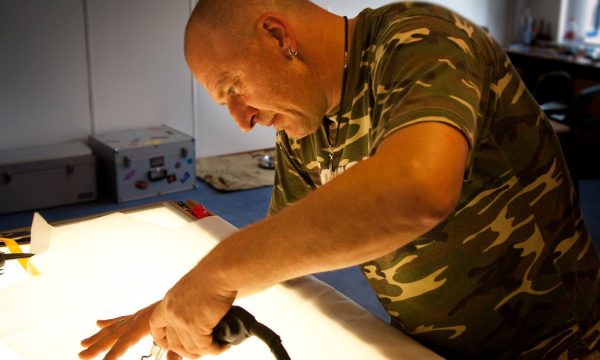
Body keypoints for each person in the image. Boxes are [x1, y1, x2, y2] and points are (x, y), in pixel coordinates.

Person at [79, 1, 600, 359]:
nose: (241, 119)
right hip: (430, 348)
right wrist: (177, 303)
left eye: (235, 87)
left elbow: (417, 191)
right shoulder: (303, 125)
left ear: (279, 35)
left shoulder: (422, 41)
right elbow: (281, 248)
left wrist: (216, 272)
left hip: (559, 345)